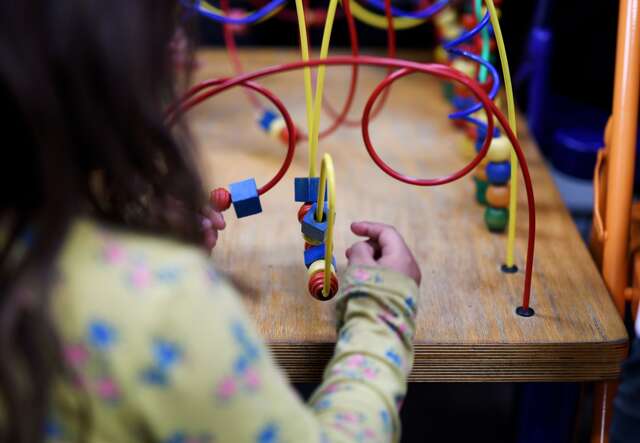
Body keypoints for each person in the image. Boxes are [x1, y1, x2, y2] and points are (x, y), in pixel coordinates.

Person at [0, 2, 422, 442]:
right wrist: (382, 313)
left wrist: (119, 222)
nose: (184, 46)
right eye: (164, 29)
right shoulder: (167, 308)